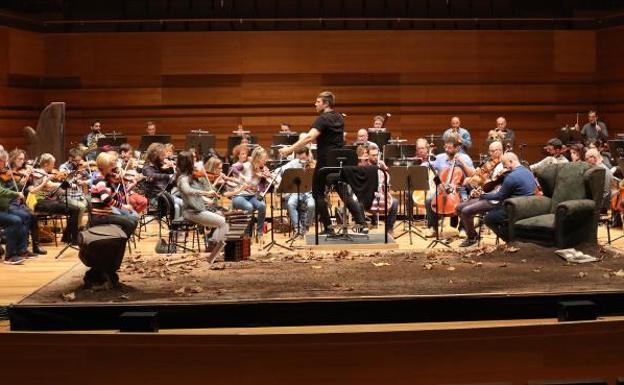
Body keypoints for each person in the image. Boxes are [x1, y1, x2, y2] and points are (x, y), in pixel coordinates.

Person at [279, 91, 364, 235]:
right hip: (339, 161)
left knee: (317, 194)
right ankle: (361, 222)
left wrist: (290, 149)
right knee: (343, 192)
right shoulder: (339, 118)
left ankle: (328, 228)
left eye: (318, 102)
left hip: (325, 162)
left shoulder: (322, 119)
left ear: (326, 103)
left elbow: (309, 138)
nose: (315, 104)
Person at [176, 151, 228, 261]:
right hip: (192, 212)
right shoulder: (183, 179)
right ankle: (214, 251)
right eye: (193, 160)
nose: (195, 162)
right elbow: (188, 191)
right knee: (223, 223)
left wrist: (207, 197)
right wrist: (206, 193)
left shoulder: (190, 176)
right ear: (188, 163)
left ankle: (213, 247)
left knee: (223, 222)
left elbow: (196, 193)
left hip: (198, 209)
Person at [455, 141, 505, 247]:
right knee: (459, 207)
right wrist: (475, 182)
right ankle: (473, 235)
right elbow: (485, 181)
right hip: (486, 195)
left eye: (492, 151)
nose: (490, 154)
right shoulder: (491, 163)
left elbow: (491, 183)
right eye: (489, 151)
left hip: (494, 199)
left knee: (465, 211)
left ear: (500, 151)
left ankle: (471, 238)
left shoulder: (503, 166)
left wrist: (476, 181)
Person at [425, 137, 475, 238]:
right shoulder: (440, 157)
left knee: (465, 200)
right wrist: (426, 161)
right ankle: (433, 228)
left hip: (460, 189)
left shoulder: (465, 158)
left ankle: (463, 228)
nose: (447, 150)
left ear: (457, 148)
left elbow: (472, 174)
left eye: (450, 148)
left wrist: (463, 164)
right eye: (446, 147)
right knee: (429, 199)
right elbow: (429, 167)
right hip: (442, 189)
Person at [29, 153, 81, 245]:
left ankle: (68, 237)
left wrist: (65, 188)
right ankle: (71, 238)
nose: (54, 166)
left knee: (75, 209)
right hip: (39, 202)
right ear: (46, 164)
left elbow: (54, 190)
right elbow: (50, 185)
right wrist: (66, 184)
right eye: (52, 163)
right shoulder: (38, 173)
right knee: (75, 210)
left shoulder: (45, 174)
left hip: (48, 201)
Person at [482, 152, 537, 241]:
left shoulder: (511, 177)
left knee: (488, 219)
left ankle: (508, 239)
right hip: (529, 207)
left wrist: (483, 196)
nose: (504, 168)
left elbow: (498, 196)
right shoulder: (528, 172)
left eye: (504, 164)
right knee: (497, 208)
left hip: (515, 209)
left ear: (511, 161)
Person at [6, 149, 46, 255]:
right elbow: (8, 190)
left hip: (19, 203)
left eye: (23, 159)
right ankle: (21, 248)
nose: (22, 161)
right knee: (26, 215)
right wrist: (20, 182)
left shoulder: (24, 174)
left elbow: (31, 190)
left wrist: (43, 183)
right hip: (9, 203)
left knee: (33, 216)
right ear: (13, 158)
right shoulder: (7, 172)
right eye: (20, 159)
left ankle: (34, 246)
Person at [272, 147, 316, 236]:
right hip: (296, 192)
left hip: (309, 193)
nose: (301, 161)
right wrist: (281, 181)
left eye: (303, 158)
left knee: (311, 205)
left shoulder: (314, 164)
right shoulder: (293, 163)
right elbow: (276, 172)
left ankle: (306, 225)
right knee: (290, 204)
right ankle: (297, 228)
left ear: (308, 156)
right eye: (299, 158)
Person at [230, 146, 269, 243]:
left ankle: (260, 233)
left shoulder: (262, 169)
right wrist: (242, 176)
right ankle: (247, 234)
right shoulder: (247, 165)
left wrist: (259, 188)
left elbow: (262, 188)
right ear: (257, 159)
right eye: (263, 160)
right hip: (239, 196)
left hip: (252, 196)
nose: (264, 162)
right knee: (249, 207)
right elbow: (232, 168)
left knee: (262, 206)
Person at [0, 150, 30, 264]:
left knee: (23, 217)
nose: (6, 165)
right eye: (4, 162)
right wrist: (16, 194)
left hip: (3, 208)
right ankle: (9, 256)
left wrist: (20, 185)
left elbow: (9, 189)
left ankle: (19, 251)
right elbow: (1, 191)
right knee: (15, 220)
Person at [141, 142, 183, 219]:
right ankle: (175, 226)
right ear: (155, 156)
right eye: (162, 155)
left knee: (182, 203)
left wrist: (171, 169)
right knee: (178, 206)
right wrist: (168, 176)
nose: (164, 157)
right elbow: (153, 175)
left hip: (165, 195)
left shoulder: (159, 165)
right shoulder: (147, 167)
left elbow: (171, 182)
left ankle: (179, 226)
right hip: (155, 199)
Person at [367, 146, 398, 237]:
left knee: (395, 202)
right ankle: (362, 228)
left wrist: (385, 169)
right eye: (373, 155)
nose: (375, 157)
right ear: (368, 156)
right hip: (367, 196)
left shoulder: (381, 168)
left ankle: (389, 229)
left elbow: (389, 182)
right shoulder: (364, 167)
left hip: (381, 196)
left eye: (377, 155)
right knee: (358, 203)